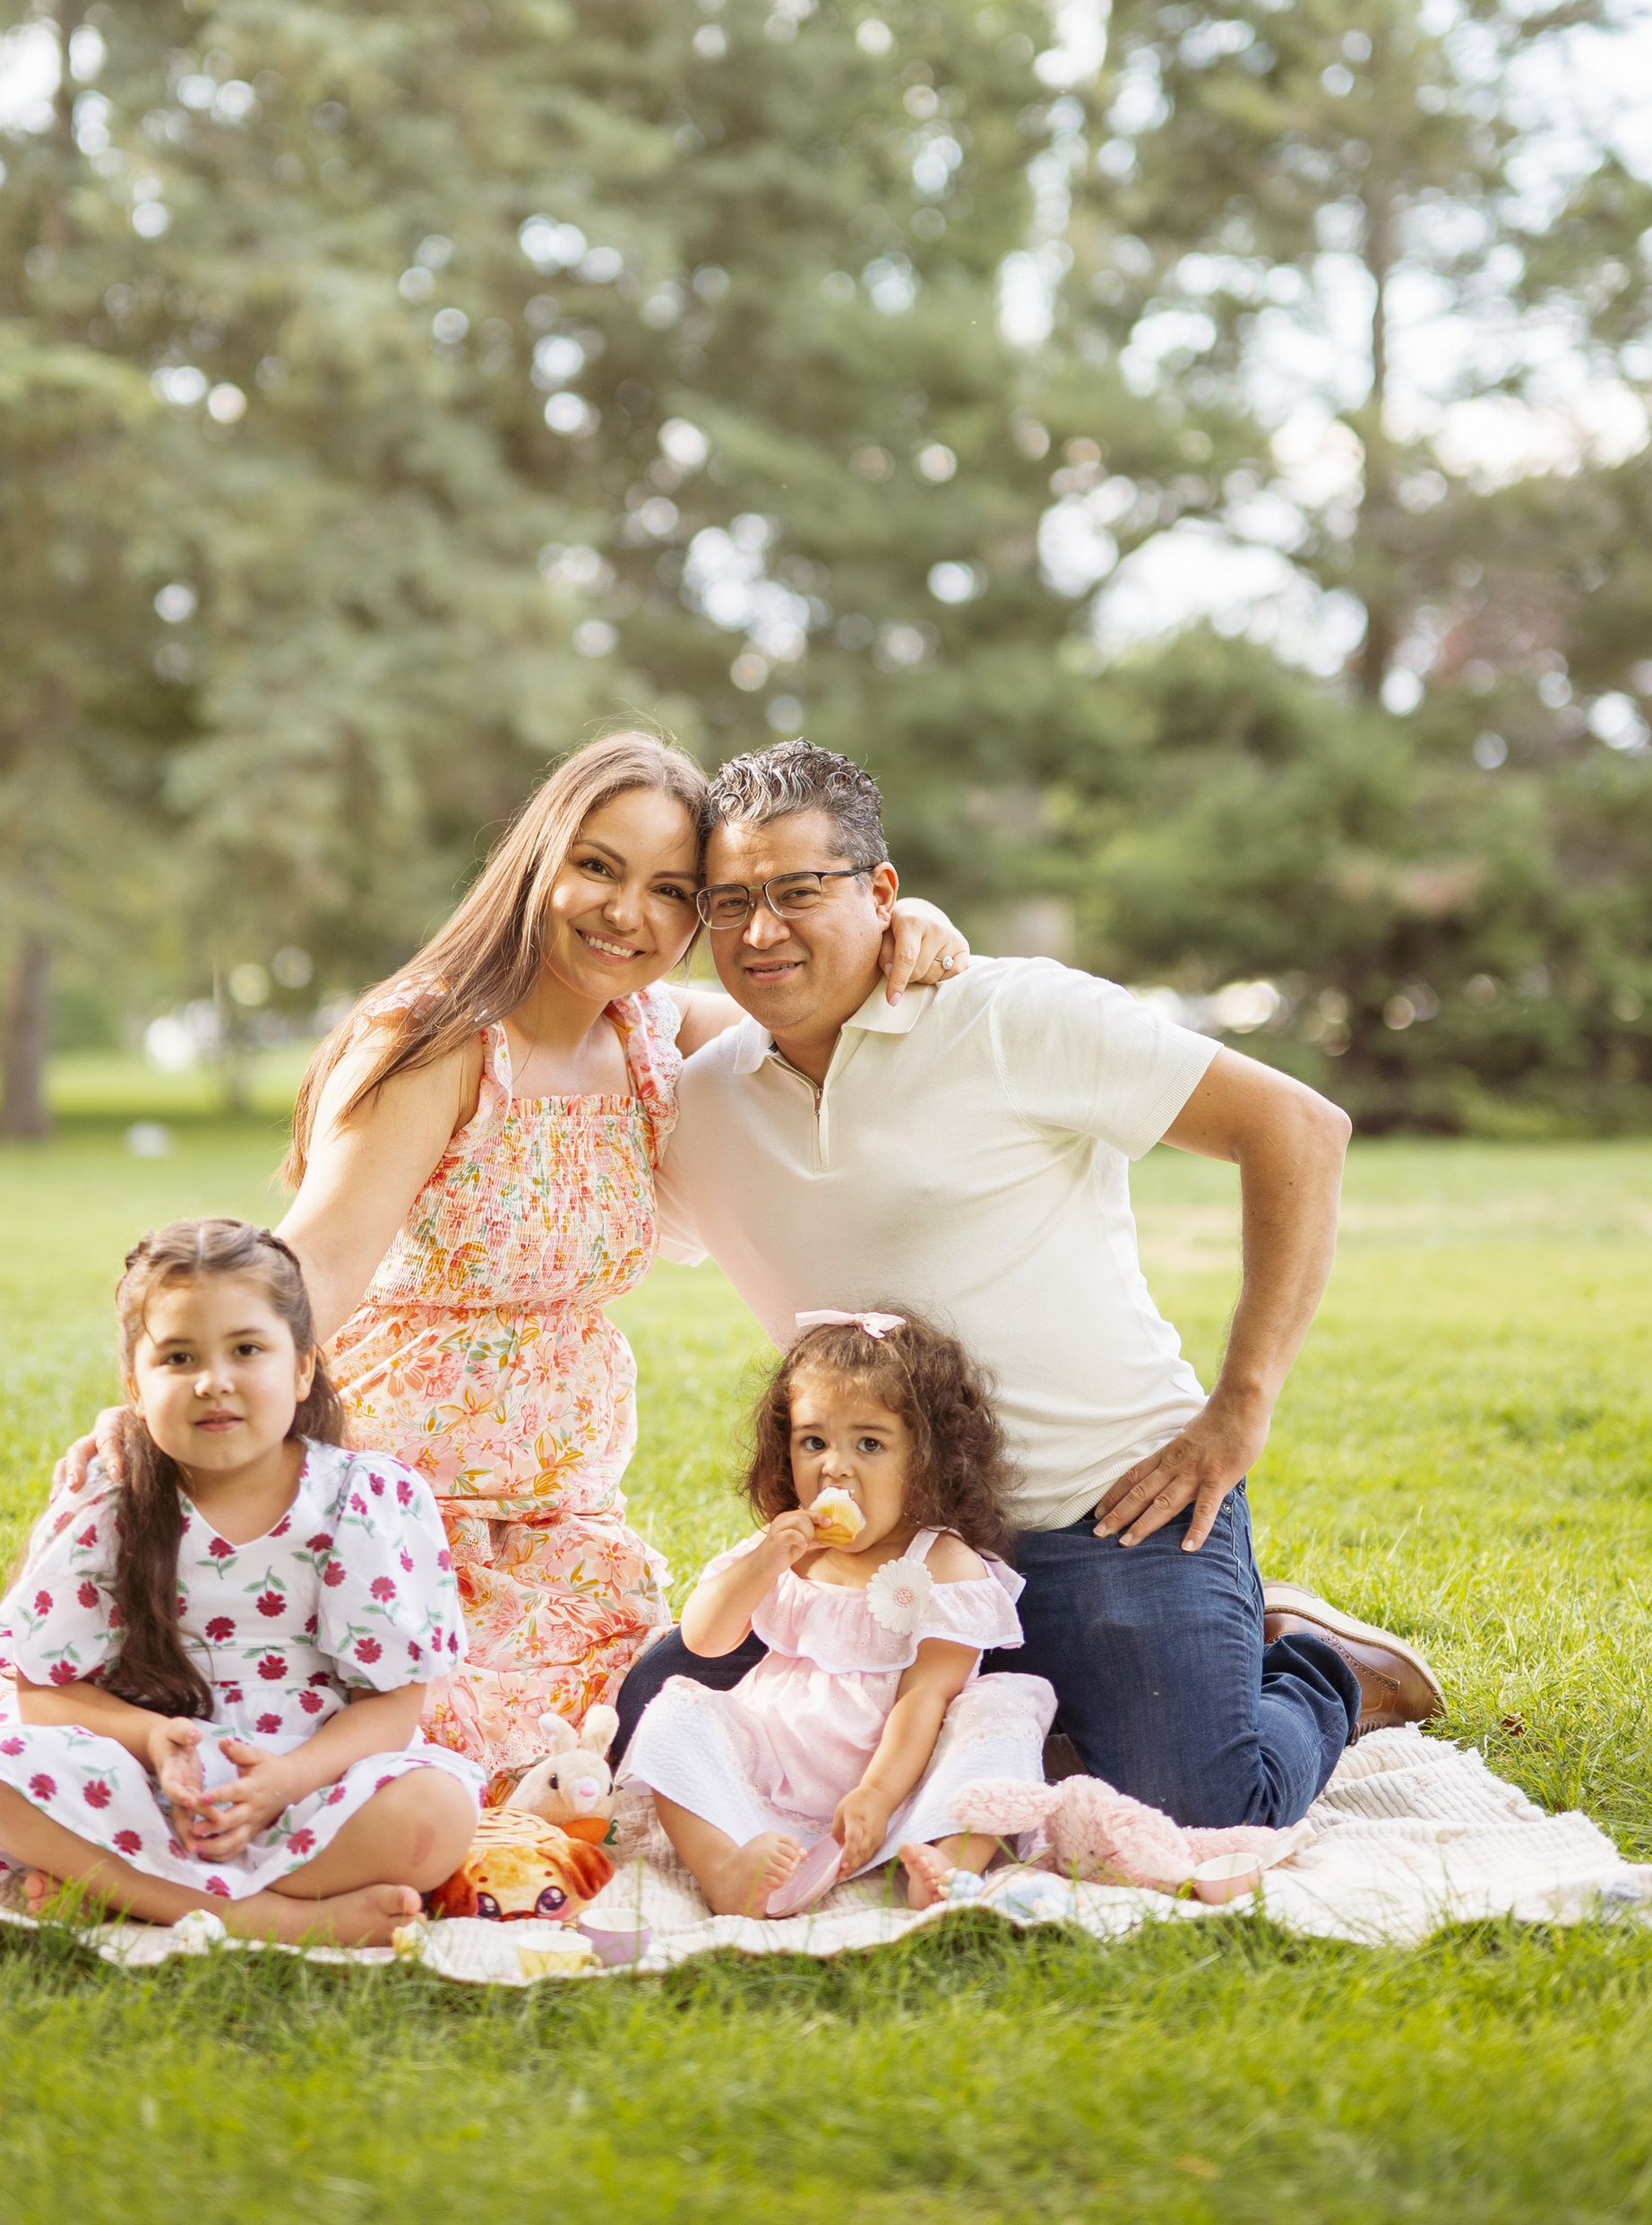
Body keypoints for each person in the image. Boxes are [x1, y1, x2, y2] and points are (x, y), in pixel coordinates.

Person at [56, 732, 969, 1774]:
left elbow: (817, 1000)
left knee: (632, 1726)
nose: (627, 912)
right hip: (400, 1496)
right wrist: (184, 1395)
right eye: (596, 866)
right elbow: (324, 1255)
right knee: (415, 1734)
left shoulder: (651, 1033)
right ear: (537, 861)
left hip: (562, 1513)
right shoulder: (442, 1040)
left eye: (670, 889)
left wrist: (907, 921)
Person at [620, 738, 1444, 1833]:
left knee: (1192, 1807)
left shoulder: (1013, 1015)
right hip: (872, 1551)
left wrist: (1238, 1408)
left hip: (1106, 1509)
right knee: (649, 1725)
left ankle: (1317, 1664)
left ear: (880, 892)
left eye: (797, 891)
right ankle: (1025, 1716)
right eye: (727, 901)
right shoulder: (702, 1103)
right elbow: (615, 1022)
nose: (760, 930)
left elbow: (1296, 1128)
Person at [0, 1219, 478, 1947]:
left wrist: (286, 1780)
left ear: (301, 1368)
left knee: (435, 1814)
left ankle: (129, 1891)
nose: (213, 1380)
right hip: (147, 1778)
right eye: (178, 1356)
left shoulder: (362, 1499)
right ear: (135, 1385)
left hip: (312, 1776)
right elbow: (44, 1693)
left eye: (247, 1348)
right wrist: (152, 1739)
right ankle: (272, 1918)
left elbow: (393, 1703)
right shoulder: (115, 1499)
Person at [622, 1309, 1054, 1915]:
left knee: (1005, 1707)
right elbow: (703, 1638)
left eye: (869, 1443)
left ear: (926, 1459)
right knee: (675, 1710)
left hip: (899, 1788)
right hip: (772, 1769)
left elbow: (925, 1695)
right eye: (814, 1441)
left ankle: (946, 1866)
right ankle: (725, 1868)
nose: (835, 1465)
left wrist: (877, 1794)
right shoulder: (787, 1551)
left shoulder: (946, 1565)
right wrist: (763, 1561)